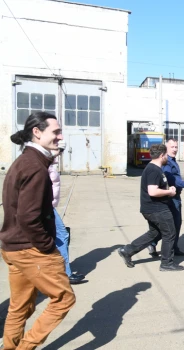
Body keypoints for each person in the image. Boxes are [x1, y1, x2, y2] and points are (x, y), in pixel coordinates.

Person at [0, 111, 76, 350]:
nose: (60, 136)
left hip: (13, 248)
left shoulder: (25, 161)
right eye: (55, 132)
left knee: (20, 306)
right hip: (30, 249)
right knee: (64, 299)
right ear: (37, 132)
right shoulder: (34, 167)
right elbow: (28, 217)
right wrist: (48, 247)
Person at [117, 143, 184, 272]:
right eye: (166, 155)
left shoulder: (155, 169)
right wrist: (169, 192)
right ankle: (166, 263)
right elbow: (152, 191)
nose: (167, 158)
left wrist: (168, 189)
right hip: (157, 209)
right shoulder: (153, 170)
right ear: (162, 155)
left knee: (154, 233)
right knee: (170, 233)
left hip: (152, 208)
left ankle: (127, 251)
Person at [147, 138, 184, 258]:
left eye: (176, 147)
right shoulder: (167, 162)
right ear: (166, 148)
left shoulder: (172, 160)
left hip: (174, 196)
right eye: (172, 147)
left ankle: (171, 247)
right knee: (172, 224)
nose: (175, 149)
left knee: (174, 224)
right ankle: (158, 245)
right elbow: (171, 179)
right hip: (171, 197)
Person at [49, 140, 86, 284]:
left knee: (58, 235)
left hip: (47, 206)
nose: (59, 153)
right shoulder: (41, 163)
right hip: (43, 207)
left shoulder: (49, 163)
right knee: (62, 235)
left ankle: (60, 270)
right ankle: (65, 273)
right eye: (58, 150)